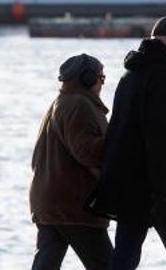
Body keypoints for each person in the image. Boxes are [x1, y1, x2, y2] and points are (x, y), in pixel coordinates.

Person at [88, 17, 166, 270]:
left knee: (126, 253)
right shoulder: (165, 78)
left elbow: (122, 132)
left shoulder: (129, 75)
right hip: (159, 188)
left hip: (127, 186)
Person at [31, 54, 112, 270]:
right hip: (74, 206)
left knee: (45, 265)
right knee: (107, 265)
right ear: (87, 79)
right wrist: (118, 140)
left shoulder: (60, 103)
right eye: (101, 77)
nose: (102, 83)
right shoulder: (79, 105)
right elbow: (86, 152)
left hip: (49, 203)